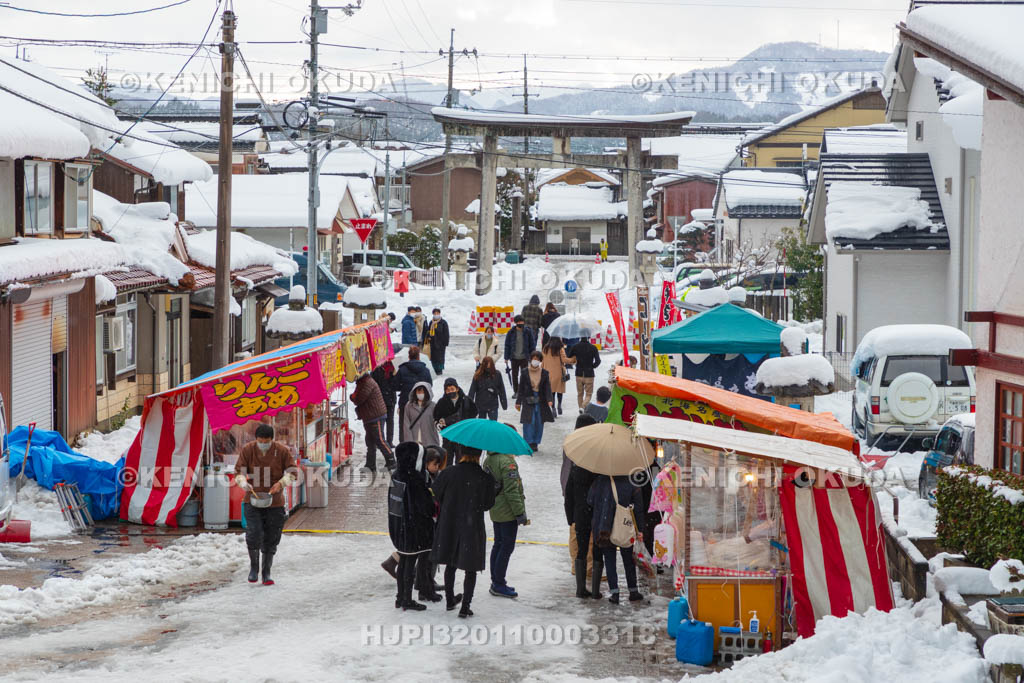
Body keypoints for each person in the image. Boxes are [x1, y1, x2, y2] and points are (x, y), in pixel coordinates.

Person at [431, 445, 497, 618]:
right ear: (480, 454)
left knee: (450, 563)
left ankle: (449, 600)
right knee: (470, 568)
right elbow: (487, 505)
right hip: (472, 526)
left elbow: (436, 494)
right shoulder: (484, 477)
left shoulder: (448, 472)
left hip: (449, 523)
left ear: (461, 453)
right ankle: (465, 606)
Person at [234, 424, 298, 586]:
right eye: (260, 441)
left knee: (272, 536)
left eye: (266, 441)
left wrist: (281, 483)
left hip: (274, 501)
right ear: (256, 439)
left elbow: (293, 472)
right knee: (254, 533)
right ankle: (254, 568)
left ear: (272, 440)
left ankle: (266, 572)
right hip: (252, 499)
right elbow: (238, 472)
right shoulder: (248, 450)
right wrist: (242, 482)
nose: (263, 443)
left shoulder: (282, 451)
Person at [388, 442, 438, 611]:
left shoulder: (396, 475)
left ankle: (400, 597)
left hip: (398, 527)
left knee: (404, 563)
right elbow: (426, 507)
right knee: (410, 564)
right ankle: (407, 599)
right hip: (414, 530)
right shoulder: (414, 480)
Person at [588, 473, 645, 604]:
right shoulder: (632, 481)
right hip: (624, 526)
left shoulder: (601, 479)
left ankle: (615, 593)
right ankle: (633, 591)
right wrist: (640, 529)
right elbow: (638, 508)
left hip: (604, 527)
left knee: (609, 560)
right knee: (628, 559)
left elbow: (590, 500)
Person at [483, 448, 527, 598]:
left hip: (495, 508)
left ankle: (496, 580)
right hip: (507, 511)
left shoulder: (489, 459)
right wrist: (519, 512)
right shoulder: (507, 463)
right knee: (506, 546)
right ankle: (499, 583)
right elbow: (511, 491)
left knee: (498, 543)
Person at [564, 460, 599, 598]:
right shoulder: (601, 472)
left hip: (580, 516)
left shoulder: (575, 471)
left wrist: (570, 519)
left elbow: (569, 497)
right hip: (597, 515)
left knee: (581, 550)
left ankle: (581, 588)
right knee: (597, 550)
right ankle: (595, 591)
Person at [351, 374, 396, 472]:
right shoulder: (362, 382)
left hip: (375, 416)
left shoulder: (367, 382)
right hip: (369, 416)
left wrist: (352, 397)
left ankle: (391, 460)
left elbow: (359, 399)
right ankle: (370, 465)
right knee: (370, 441)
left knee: (379, 439)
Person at [515, 351, 555, 452]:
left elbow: (547, 387)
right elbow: (521, 388)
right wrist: (518, 402)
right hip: (528, 398)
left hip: (540, 400)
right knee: (529, 421)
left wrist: (549, 399)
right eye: (534, 359)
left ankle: (535, 442)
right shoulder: (524, 372)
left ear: (540, 361)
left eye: (537, 359)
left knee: (539, 421)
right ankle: (528, 442)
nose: (535, 361)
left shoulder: (544, 373)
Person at [433, 378, 477, 466]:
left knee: (461, 462)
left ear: (457, 388)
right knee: (446, 462)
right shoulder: (441, 403)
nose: (450, 392)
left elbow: (474, 414)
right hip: (448, 437)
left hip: (462, 436)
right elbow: (436, 417)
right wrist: (440, 423)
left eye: (452, 389)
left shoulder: (466, 400)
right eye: (448, 390)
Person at [397, 346, 433, 420]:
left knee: (404, 426)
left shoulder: (402, 369)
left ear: (409, 356)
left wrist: (404, 387)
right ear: (419, 356)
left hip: (405, 401)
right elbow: (429, 385)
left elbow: (395, 386)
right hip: (421, 402)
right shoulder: (425, 370)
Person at [401, 381, 440, 447]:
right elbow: (406, 424)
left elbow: (437, 421)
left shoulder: (433, 406)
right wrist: (409, 441)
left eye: (423, 392)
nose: (420, 394)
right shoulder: (409, 406)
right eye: (418, 392)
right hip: (414, 440)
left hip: (429, 440)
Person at [568, 337, 602, 413]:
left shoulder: (575, 347)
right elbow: (598, 361)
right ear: (588, 337)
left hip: (579, 373)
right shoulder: (593, 347)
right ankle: (583, 407)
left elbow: (569, 356)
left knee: (580, 394)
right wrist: (592, 366)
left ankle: (581, 408)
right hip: (589, 373)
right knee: (588, 394)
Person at [467, 356, 507, 421]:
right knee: (482, 424)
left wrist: (504, 403)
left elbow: (502, 389)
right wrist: (469, 403)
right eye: (487, 364)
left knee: (493, 424)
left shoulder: (497, 374)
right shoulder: (478, 375)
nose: (488, 367)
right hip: (481, 404)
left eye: (490, 365)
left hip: (492, 404)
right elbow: (472, 389)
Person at [371, 357, 400, 446]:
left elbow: (397, 386)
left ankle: (384, 441)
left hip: (385, 398)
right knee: (386, 420)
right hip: (386, 398)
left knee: (384, 421)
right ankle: (386, 441)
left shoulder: (380, 369)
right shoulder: (383, 369)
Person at [542, 337, 573, 417]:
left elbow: (543, 360)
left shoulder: (545, 348)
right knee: (559, 391)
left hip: (548, 373)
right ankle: (559, 404)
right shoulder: (560, 348)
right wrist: (573, 360)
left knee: (551, 392)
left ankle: (553, 408)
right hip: (559, 373)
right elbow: (564, 360)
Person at [504, 315, 535, 395]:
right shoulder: (511, 332)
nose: (521, 323)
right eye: (519, 322)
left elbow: (532, 344)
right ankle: (516, 391)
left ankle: (523, 391)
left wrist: (533, 356)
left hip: (524, 357)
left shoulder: (528, 331)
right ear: (515, 323)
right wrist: (506, 357)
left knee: (524, 375)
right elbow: (507, 345)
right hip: (514, 357)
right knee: (514, 375)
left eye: (522, 322)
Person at [424, 307, 450, 375]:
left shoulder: (443, 323)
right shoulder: (431, 322)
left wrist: (445, 343)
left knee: (440, 358)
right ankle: (434, 368)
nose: (436, 314)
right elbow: (428, 331)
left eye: (437, 313)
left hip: (441, 343)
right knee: (433, 357)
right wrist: (429, 337)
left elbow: (446, 333)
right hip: (432, 343)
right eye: (435, 313)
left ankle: (439, 369)